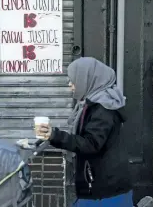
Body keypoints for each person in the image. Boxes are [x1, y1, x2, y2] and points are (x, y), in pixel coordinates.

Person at [38, 57, 133, 206]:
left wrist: (55, 135)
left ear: (87, 78)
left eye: (73, 80)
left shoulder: (103, 108)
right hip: (98, 186)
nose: (70, 85)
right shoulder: (90, 104)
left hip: (105, 192)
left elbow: (90, 144)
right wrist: (53, 136)